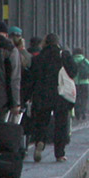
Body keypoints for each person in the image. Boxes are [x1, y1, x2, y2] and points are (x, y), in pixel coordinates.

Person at [28, 33, 78, 163]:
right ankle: (59, 153)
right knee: (61, 124)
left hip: (42, 95)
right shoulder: (64, 55)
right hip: (60, 94)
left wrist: (28, 96)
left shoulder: (38, 58)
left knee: (42, 121)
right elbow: (73, 72)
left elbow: (31, 78)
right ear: (57, 42)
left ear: (45, 43)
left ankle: (40, 141)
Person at [71, 47, 89, 121]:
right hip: (84, 82)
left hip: (74, 83)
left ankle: (77, 113)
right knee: (84, 98)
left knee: (76, 98)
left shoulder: (72, 60)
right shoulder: (84, 60)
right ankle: (83, 112)